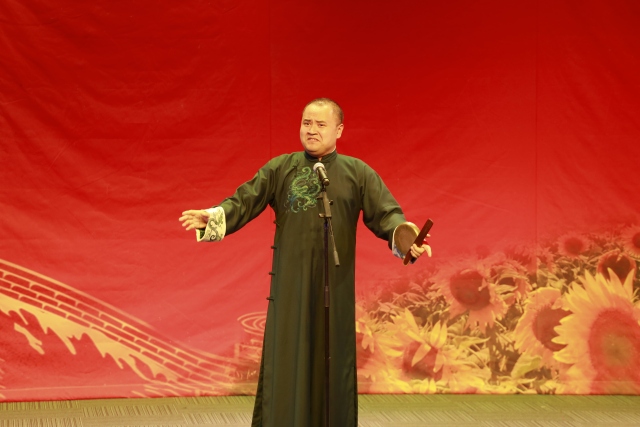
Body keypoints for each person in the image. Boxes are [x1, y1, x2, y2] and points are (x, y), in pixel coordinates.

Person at [180, 98, 431, 427]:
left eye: (320, 124)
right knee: (288, 358)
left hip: (335, 289)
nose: (311, 130)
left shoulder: (358, 173)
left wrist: (406, 240)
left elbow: (388, 216)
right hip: (291, 289)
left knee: (333, 361)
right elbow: (245, 200)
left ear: (339, 130)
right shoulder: (281, 168)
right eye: (306, 123)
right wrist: (213, 217)